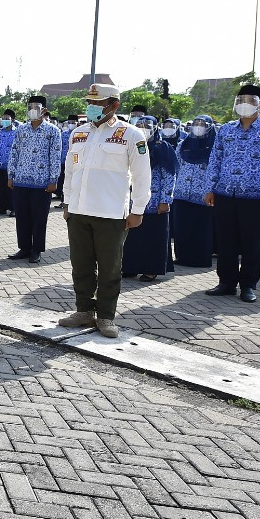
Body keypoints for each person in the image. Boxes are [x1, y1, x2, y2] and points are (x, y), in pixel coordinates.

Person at [58, 83, 151, 338]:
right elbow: (70, 171)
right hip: (79, 210)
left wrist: (138, 209)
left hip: (111, 214)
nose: (92, 108)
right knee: (81, 265)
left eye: (98, 104)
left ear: (114, 105)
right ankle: (84, 311)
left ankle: (106, 316)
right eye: (90, 103)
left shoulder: (131, 134)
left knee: (110, 267)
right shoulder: (78, 133)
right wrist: (67, 203)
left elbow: (142, 175)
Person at [203, 84, 260, 303]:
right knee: (226, 241)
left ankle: (248, 285)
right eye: (240, 100)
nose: (244, 105)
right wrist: (210, 188)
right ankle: (227, 282)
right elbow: (215, 160)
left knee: (252, 243)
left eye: (249, 101)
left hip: (256, 196)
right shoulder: (226, 130)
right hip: (225, 193)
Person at [120, 116, 177, 281]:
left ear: (155, 128)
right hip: (133, 201)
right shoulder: (132, 145)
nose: (143, 129)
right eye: (139, 125)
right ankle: (130, 267)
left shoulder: (162, 148)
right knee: (132, 237)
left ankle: (152, 269)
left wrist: (165, 199)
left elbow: (169, 175)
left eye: (147, 126)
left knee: (153, 237)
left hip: (155, 201)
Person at [7, 95, 62, 264]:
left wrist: (54, 179)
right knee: (22, 216)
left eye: (36, 107)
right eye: (30, 107)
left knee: (39, 217)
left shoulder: (53, 131)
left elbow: (55, 156)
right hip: (21, 179)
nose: (32, 110)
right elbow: (14, 152)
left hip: (42, 182)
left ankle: (36, 249)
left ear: (44, 110)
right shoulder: (21, 130)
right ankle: (24, 247)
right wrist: (11, 175)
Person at [172, 115, 217, 268]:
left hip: (203, 195)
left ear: (209, 127)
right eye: (196, 123)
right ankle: (182, 257)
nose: (198, 126)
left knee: (201, 228)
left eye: (203, 124)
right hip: (182, 192)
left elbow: (216, 169)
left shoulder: (214, 147)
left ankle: (200, 259)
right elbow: (175, 167)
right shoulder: (183, 145)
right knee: (182, 227)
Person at [0, 110, 17, 216]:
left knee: (11, 189)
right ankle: (1, 207)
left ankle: (13, 208)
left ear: (13, 120)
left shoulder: (17, 132)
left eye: (7, 119)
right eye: (3, 118)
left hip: (10, 166)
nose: (4, 121)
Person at [56, 113, 79, 205]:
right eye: (70, 122)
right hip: (63, 161)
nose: (71, 124)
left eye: (73, 122)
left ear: (77, 123)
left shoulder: (80, 133)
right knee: (62, 181)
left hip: (75, 162)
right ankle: (63, 201)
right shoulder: (63, 134)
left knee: (73, 182)